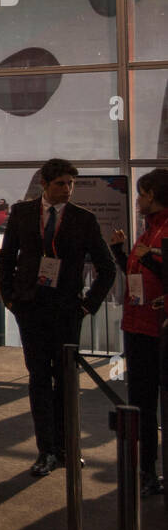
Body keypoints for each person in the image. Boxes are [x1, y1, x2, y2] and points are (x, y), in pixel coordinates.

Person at [0, 159, 116, 477]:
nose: (67, 189)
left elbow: (107, 268)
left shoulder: (83, 220)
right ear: (45, 185)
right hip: (30, 308)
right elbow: (7, 257)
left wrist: (87, 306)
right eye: (61, 183)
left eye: (71, 184)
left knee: (65, 380)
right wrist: (9, 298)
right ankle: (46, 450)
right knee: (38, 378)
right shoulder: (23, 213)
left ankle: (66, 447)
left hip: (66, 311)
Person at [109, 168, 168, 496]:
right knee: (141, 403)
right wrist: (122, 253)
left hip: (158, 330)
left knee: (155, 402)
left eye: (142, 192)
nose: (138, 199)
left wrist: (150, 260)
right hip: (137, 327)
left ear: (154, 194)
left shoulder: (162, 233)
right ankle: (146, 470)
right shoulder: (147, 233)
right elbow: (138, 275)